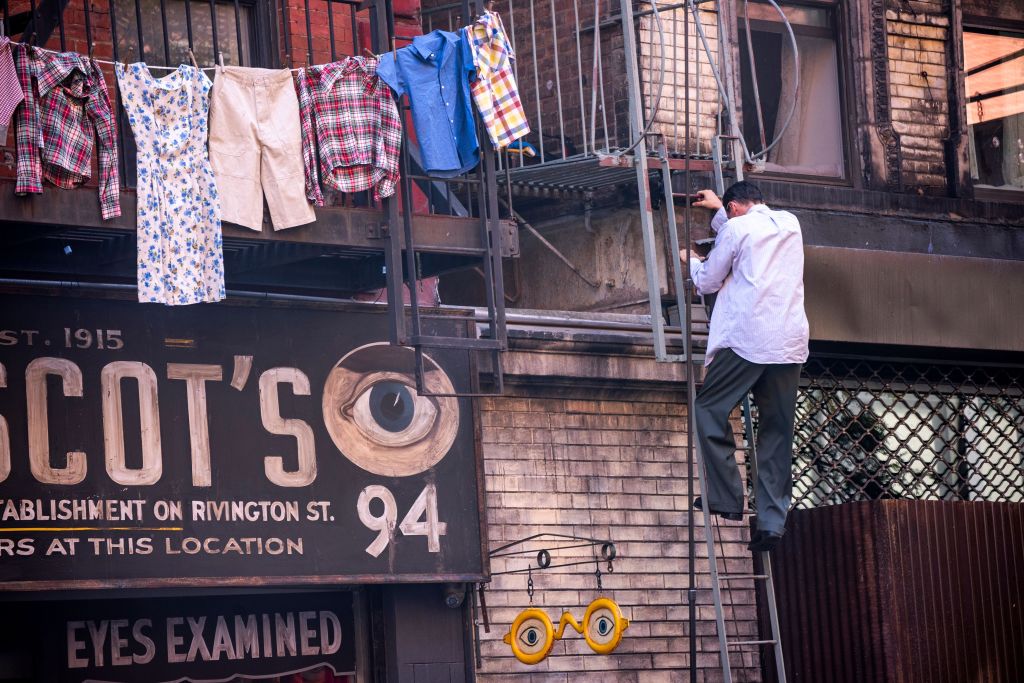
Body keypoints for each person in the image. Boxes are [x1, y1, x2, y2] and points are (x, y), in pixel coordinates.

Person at [682, 181, 809, 552]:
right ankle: (772, 521)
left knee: (709, 409)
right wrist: (722, 210)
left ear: (737, 206)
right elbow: (748, 232)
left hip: (746, 340)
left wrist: (690, 260)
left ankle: (725, 499)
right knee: (776, 432)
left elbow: (707, 281)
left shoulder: (737, 227)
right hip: (788, 344)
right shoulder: (790, 224)